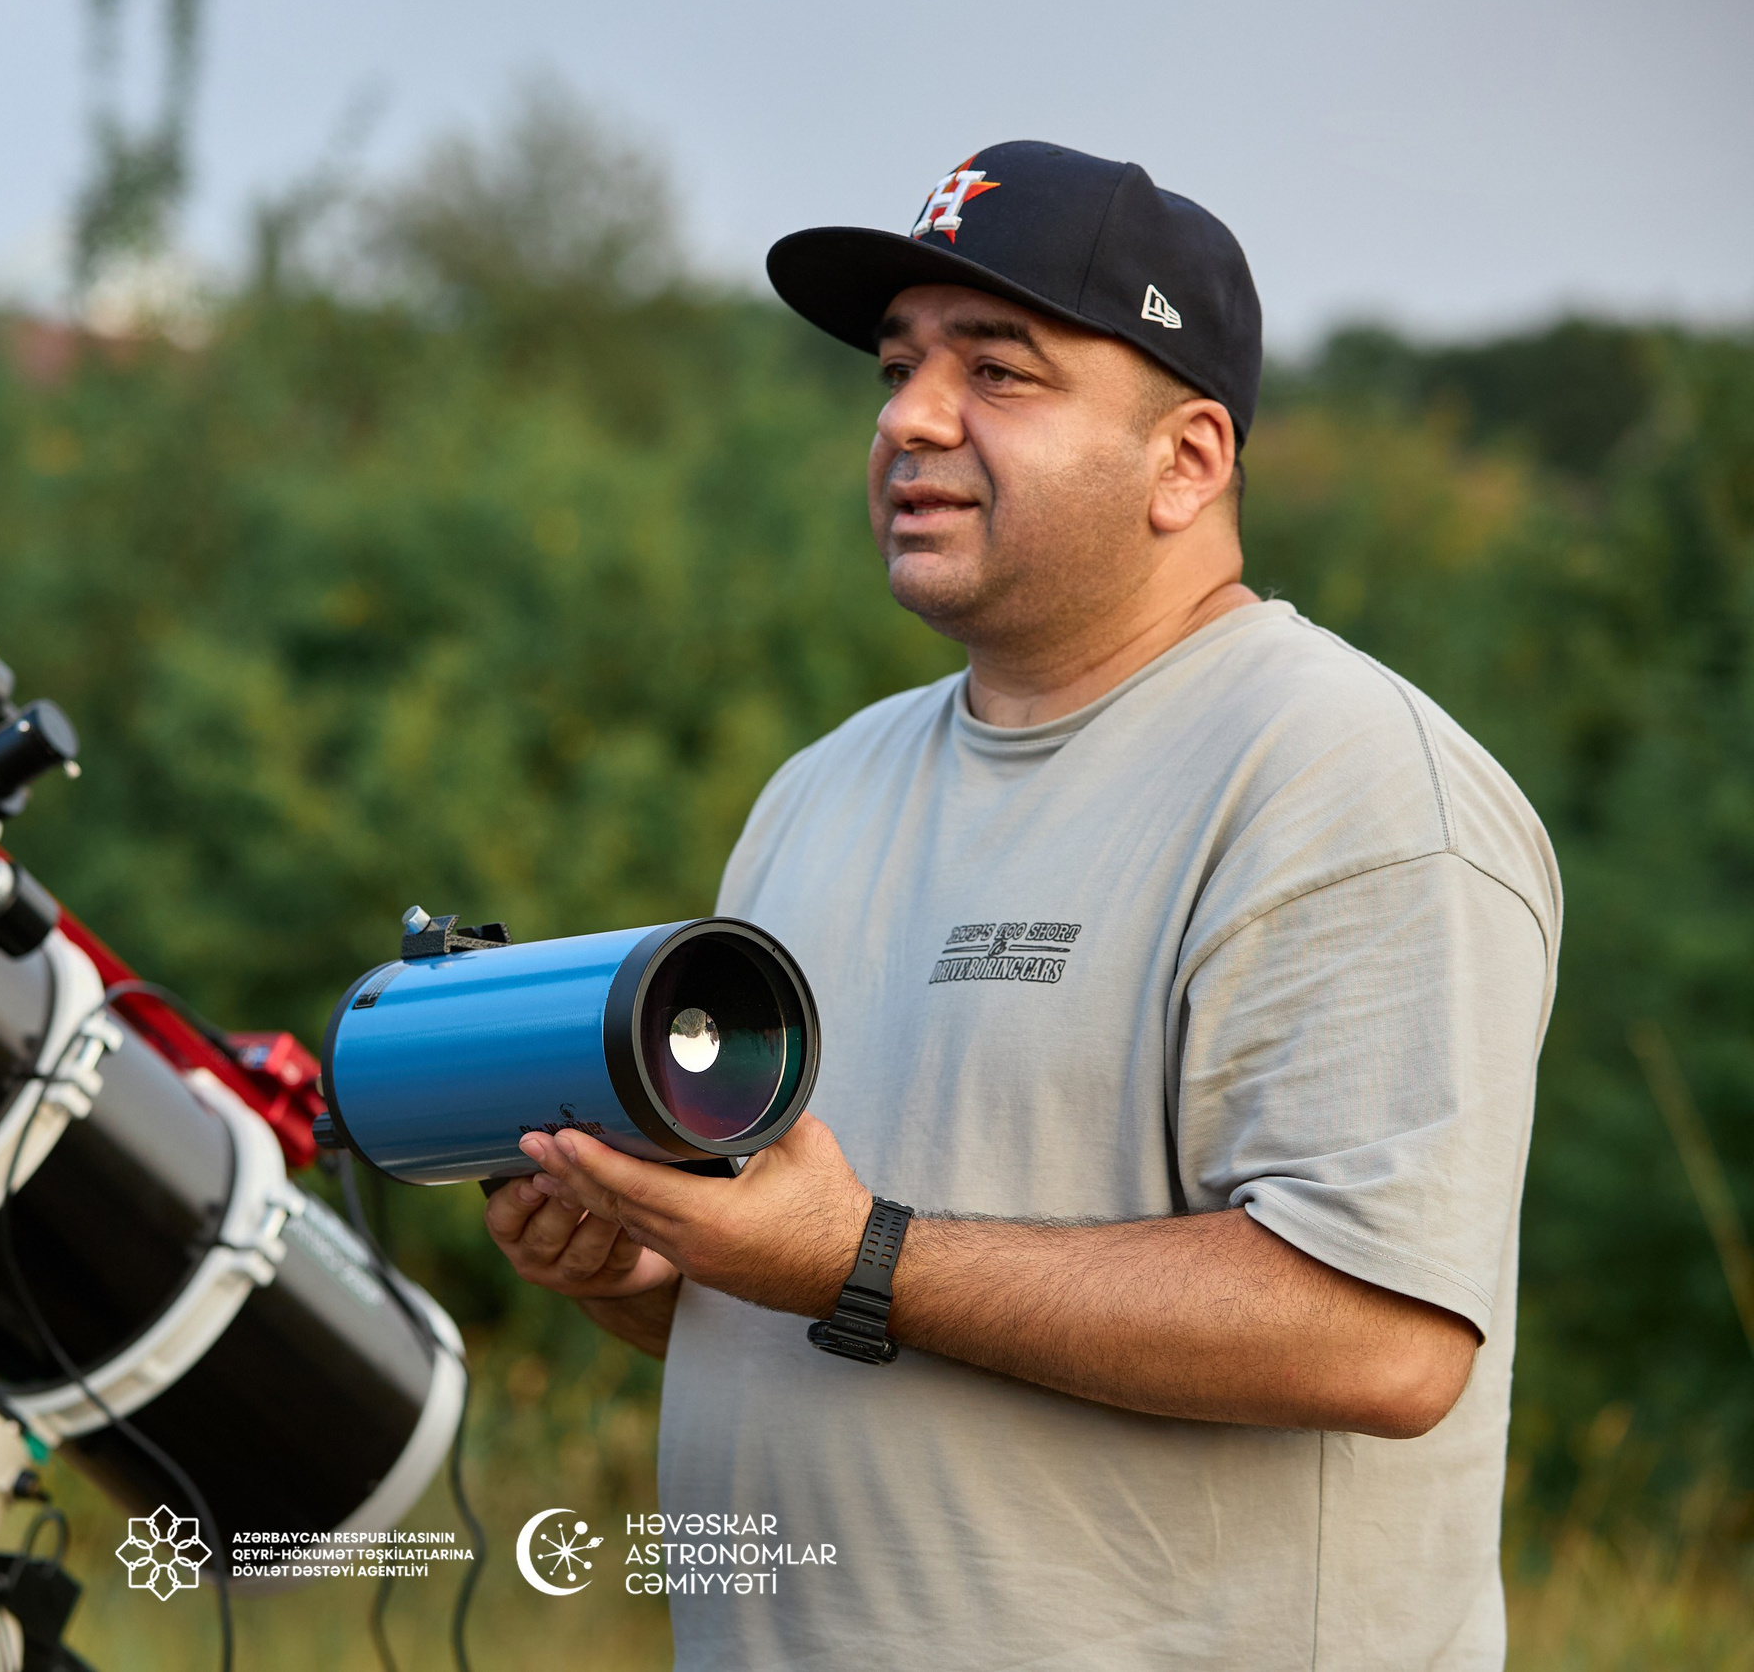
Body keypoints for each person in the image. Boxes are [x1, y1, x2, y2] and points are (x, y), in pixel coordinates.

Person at [483, 141, 1557, 1671]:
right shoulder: (821, 788)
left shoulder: (1347, 779)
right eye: (898, 367)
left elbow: (1378, 1332)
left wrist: (854, 1251)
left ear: (1187, 460)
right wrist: (659, 1268)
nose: (909, 419)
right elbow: (826, 1294)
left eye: (998, 370)